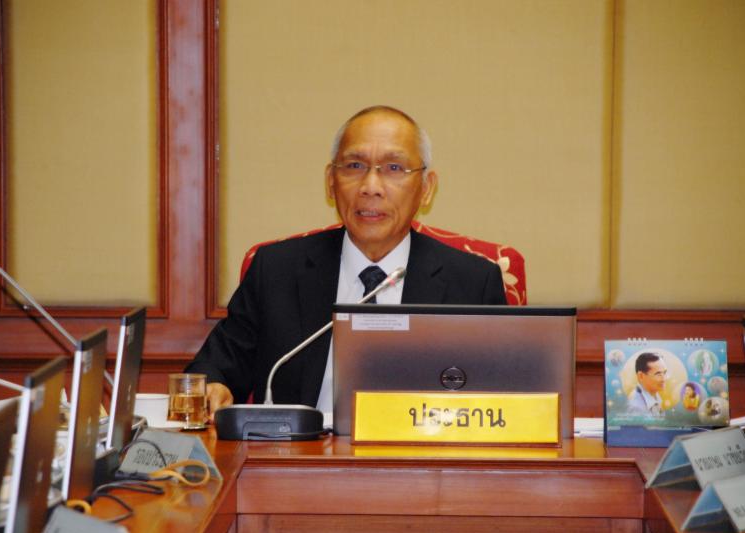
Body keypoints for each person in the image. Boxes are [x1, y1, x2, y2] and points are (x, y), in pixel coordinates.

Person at [185, 105, 507, 418]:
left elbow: (505, 401)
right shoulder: (276, 271)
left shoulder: (473, 284)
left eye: (394, 168)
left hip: (420, 453)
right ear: (330, 181)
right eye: (354, 166)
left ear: (426, 188)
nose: (371, 187)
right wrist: (214, 386)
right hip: (298, 451)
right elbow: (214, 369)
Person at [626, 352, 668, 417]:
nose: (664, 379)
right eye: (658, 374)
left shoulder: (655, 396)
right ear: (641, 376)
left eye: (664, 373)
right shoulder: (637, 409)